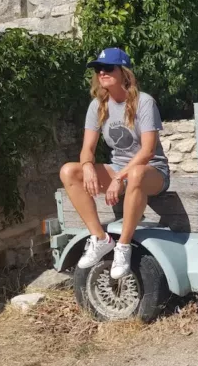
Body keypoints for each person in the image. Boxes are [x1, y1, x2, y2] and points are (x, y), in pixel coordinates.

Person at [59, 47, 170, 279]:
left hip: (152, 172)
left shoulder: (144, 102)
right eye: (99, 69)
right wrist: (88, 167)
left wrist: (120, 178)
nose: (102, 73)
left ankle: (123, 246)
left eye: (108, 68)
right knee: (70, 171)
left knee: (137, 174)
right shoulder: (97, 106)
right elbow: (87, 149)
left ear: (124, 73)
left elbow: (148, 151)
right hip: (119, 169)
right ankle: (100, 238)